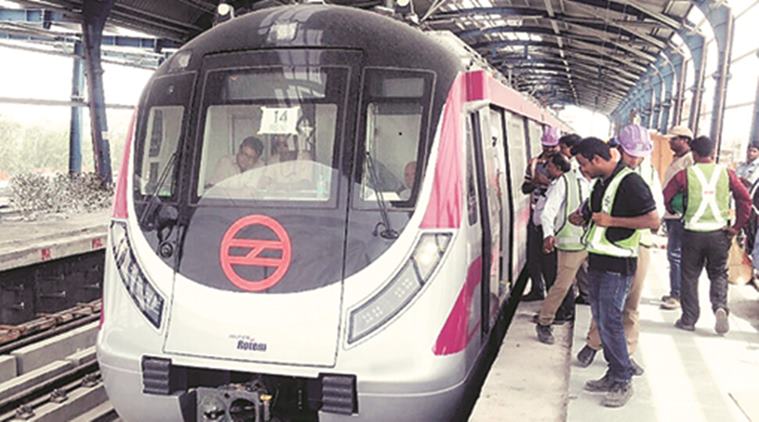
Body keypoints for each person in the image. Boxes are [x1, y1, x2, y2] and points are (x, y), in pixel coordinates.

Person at [567, 137, 659, 408]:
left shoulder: (631, 182)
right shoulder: (602, 183)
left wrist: (612, 221)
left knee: (611, 321)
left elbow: (653, 220)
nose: (582, 169)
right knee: (603, 319)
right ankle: (613, 372)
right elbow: (597, 212)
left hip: (618, 266)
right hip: (599, 261)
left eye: (584, 164)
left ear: (597, 159)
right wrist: (582, 215)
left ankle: (622, 379)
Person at [663, 136, 751, 335]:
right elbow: (744, 198)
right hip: (719, 234)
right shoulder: (727, 173)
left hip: (692, 233)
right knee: (718, 273)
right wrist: (736, 226)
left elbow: (667, 195)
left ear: (693, 153)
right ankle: (719, 307)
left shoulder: (685, 174)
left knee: (689, 276)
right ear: (713, 153)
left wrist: (676, 210)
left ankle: (688, 319)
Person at [535, 151, 590, 345]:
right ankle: (544, 322)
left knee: (598, 291)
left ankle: (597, 338)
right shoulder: (564, 182)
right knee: (561, 286)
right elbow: (548, 212)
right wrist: (548, 234)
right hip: (571, 244)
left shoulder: (603, 181)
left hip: (596, 244)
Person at [522, 127, 561, 301]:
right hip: (536, 215)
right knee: (533, 256)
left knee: (550, 260)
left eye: (553, 146)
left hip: (555, 218)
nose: (550, 150)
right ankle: (537, 289)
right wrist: (535, 183)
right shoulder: (533, 163)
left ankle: (552, 294)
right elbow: (525, 187)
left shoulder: (564, 164)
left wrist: (547, 183)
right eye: (547, 146)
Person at [660, 125, 694, 310]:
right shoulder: (677, 158)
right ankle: (676, 290)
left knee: (676, 255)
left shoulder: (690, 160)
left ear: (685, 140)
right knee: (674, 254)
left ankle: (677, 295)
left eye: (674, 139)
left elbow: (687, 188)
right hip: (671, 213)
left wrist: (675, 205)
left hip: (679, 213)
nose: (670, 142)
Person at [736, 144, 759, 253]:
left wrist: (738, 180)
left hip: (751, 203)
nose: (751, 153)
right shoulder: (742, 165)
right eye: (749, 151)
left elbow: (750, 182)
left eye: (754, 151)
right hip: (738, 201)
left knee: (750, 230)